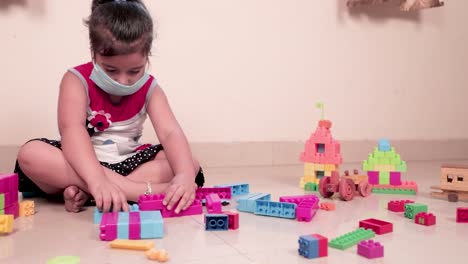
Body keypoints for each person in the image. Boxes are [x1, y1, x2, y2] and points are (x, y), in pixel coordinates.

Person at [14, 0, 204, 214]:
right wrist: (96, 179)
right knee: (31, 154)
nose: (123, 81)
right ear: (93, 52)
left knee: (189, 163)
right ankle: (129, 192)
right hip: (81, 163)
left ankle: (91, 193)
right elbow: (72, 130)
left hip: (128, 164)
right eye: (111, 70)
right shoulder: (76, 80)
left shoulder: (151, 89)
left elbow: (170, 133)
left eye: (134, 71)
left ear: (147, 57)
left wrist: (185, 175)